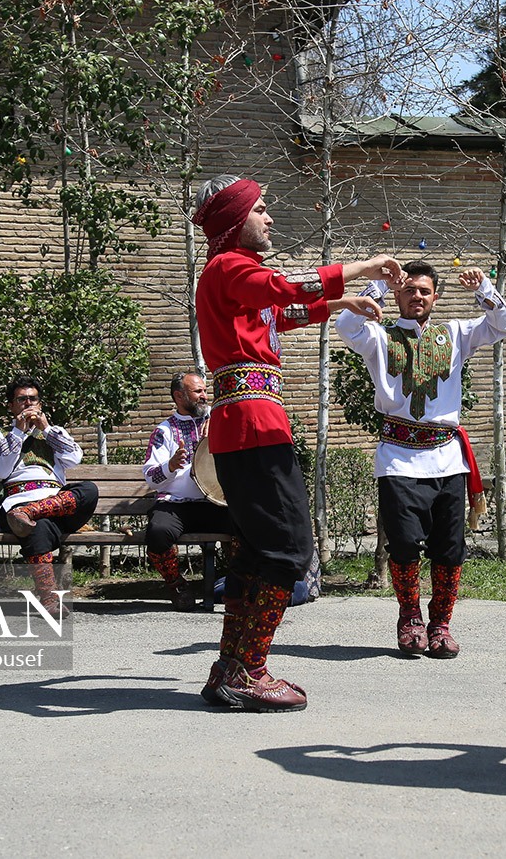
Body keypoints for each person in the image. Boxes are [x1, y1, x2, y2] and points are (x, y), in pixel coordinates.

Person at [191, 174, 397, 712]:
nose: (269, 217)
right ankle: (249, 669)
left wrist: (341, 303)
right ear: (234, 219)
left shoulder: (232, 276)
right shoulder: (229, 266)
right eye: (260, 209)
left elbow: (280, 312)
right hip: (253, 424)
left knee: (256, 551)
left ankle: (230, 668)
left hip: (247, 424)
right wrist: (363, 266)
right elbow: (284, 289)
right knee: (289, 551)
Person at [336, 261, 506, 658]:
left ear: (435, 297)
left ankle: (441, 625)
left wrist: (483, 288)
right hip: (397, 459)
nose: (416, 296)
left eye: (424, 291)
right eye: (409, 290)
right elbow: (345, 325)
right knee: (403, 544)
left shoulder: (456, 334)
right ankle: (410, 619)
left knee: (449, 548)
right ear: (399, 295)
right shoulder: (379, 336)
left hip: (447, 459)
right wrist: (379, 286)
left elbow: (503, 324)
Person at [0, 376, 99, 616]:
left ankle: (27, 513)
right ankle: (49, 598)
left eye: (32, 399)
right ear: (11, 406)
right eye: (21, 399)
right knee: (39, 527)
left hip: (55, 504)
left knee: (89, 490)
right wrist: (18, 432)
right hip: (18, 500)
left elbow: (74, 458)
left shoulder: (54, 433)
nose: (28, 404)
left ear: (40, 404)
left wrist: (47, 429)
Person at [140, 371, 234, 612]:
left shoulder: (220, 418)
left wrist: (219, 422)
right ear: (179, 396)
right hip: (176, 505)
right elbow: (151, 477)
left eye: (205, 390)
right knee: (158, 532)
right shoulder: (164, 431)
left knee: (247, 525)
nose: (204, 396)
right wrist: (170, 466)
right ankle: (176, 584)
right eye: (198, 391)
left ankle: (239, 585)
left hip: (215, 503)